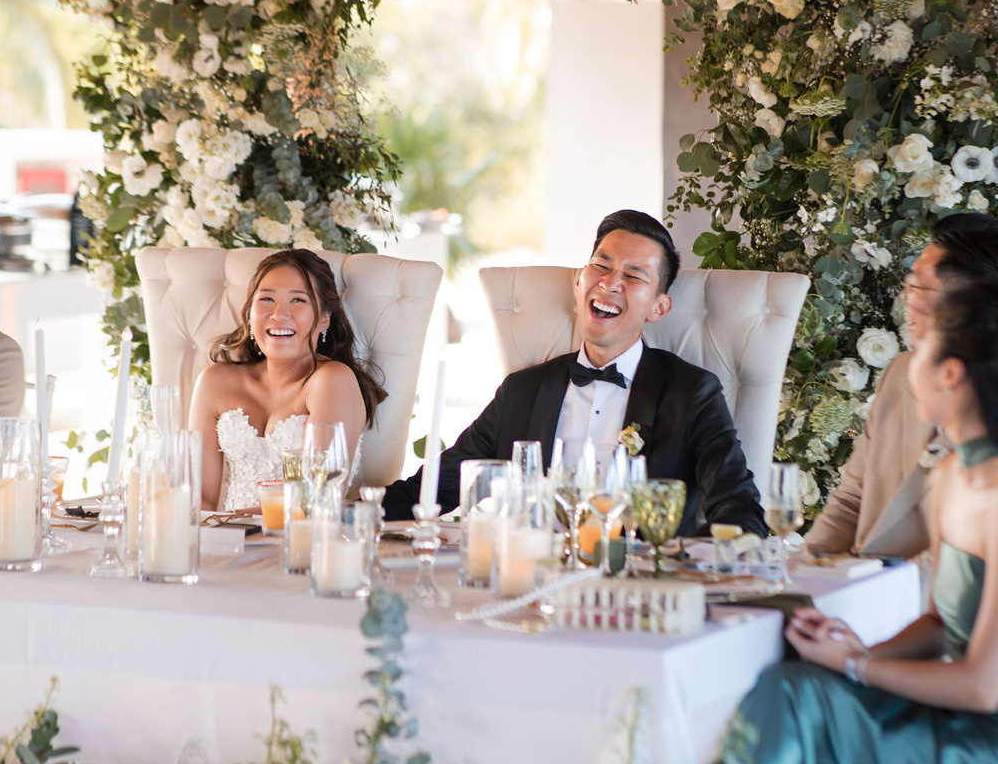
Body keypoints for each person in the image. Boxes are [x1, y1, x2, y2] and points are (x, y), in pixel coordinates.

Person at [717, 279, 998, 764]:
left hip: (981, 756)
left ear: (951, 371)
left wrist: (857, 665)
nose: (908, 360)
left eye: (925, 344)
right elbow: (941, 619)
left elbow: (983, 686)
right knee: (788, 690)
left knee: (789, 718)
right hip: (942, 722)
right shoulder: (955, 477)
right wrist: (850, 641)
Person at [383, 209, 766, 534]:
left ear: (659, 308)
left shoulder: (690, 391)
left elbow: (737, 508)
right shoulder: (522, 390)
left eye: (634, 276)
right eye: (601, 264)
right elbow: (436, 486)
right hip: (529, 581)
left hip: (636, 592)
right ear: (580, 281)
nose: (610, 282)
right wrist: (348, 513)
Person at [806, 212, 998, 562]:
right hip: (860, 591)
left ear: (970, 300)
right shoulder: (901, 372)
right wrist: (806, 577)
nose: (905, 298)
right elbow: (850, 500)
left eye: (919, 286)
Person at [188, 249, 385, 510]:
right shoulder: (214, 382)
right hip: (226, 543)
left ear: (325, 318)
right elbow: (199, 498)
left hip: (302, 543)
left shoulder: (332, 380)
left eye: (298, 300)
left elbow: (316, 498)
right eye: (267, 299)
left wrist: (233, 523)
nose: (279, 314)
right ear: (249, 313)